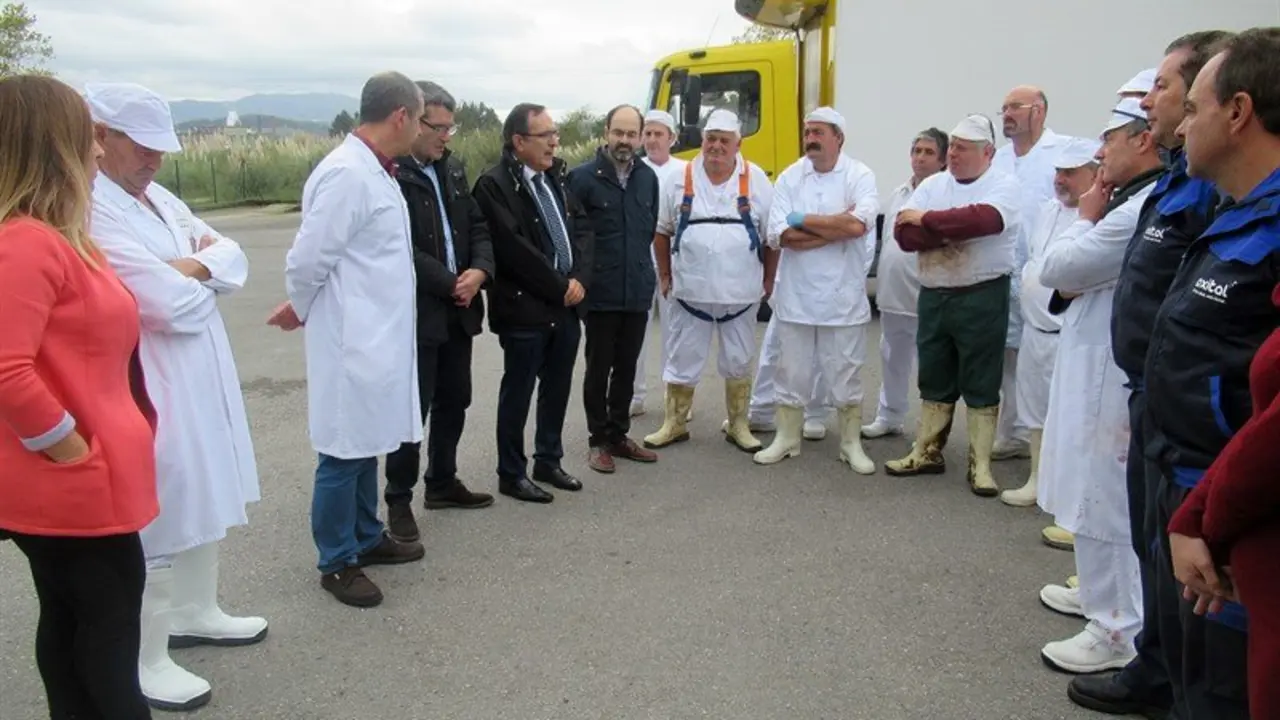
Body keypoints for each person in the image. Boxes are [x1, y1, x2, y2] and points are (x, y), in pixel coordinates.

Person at [1068, 31, 1234, 719]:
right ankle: (1156, 667)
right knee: (1155, 555)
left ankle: (1183, 688)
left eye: (1166, 88)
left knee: (1200, 587)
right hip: (1154, 403)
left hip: (1199, 426)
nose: (1152, 100)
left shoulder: (1214, 194)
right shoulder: (1176, 182)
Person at [85, 81, 266, 711]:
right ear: (99, 138)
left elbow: (234, 257)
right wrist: (198, 273)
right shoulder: (91, 206)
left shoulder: (156, 196)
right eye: (142, 147)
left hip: (196, 367)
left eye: (162, 149)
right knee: (159, 502)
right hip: (148, 375)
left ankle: (195, 610)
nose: (155, 161)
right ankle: (145, 656)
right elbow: (156, 303)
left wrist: (196, 268)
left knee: (201, 484)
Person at [0, 74, 158, 720]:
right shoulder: (25, 244)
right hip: (74, 487)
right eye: (86, 138)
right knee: (105, 636)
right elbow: (6, 368)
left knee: (75, 626)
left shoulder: (59, 236)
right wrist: (69, 449)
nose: (97, 153)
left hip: (90, 479)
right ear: (53, 145)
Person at [1150, 28, 1280, 720]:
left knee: (1223, 695)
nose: (1180, 123)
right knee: (1189, 682)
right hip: (1185, 490)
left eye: (1194, 107)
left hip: (1230, 517)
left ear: (1237, 114)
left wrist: (1212, 514)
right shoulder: (1235, 210)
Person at [270, 71, 428, 608]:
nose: (423, 129)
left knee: (369, 441)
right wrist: (306, 306)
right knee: (342, 450)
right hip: (352, 337)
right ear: (401, 116)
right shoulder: (346, 174)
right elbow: (307, 259)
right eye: (421, 118)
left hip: (377, 336)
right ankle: (336, 560)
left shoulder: (377, 171)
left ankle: (365, 535)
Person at [1035, 97, 1164, 675]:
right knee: (1085, 480)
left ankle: (1115, 627)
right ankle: (1095, 594)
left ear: (1141, 141)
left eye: (1108, 139)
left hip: (1111, 371)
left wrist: (1086, 214)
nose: (1098, 151)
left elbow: (1060, 268)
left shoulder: (1131, 208)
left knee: (1106, 492)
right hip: (1090, 357)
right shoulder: (1126, 200)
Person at [382, 81, 496, 545]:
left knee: (456, 399)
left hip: (460, 308)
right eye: (439, 127)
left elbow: (477, 225)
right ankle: (398, 498)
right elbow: (399, 249)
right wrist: (450, 281)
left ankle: (442, 482)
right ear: (411, 120)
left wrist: (480, 271)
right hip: (420, 312)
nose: (447, 136)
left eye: (452, 127)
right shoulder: (391, 175)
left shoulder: (452, 169)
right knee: (414, 411)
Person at [886, 113, 1021, 496]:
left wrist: (928, 220)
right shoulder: (933, 184)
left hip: (982, 295)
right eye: (955, 148)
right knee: (934, 373)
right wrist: (949, 230)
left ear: (988, 152)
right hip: (934, 294)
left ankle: (981, 465)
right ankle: (927, 450)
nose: (956, 155)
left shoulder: (1004, 185)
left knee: (981, 379)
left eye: (964, 149)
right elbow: (904, 234)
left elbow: (985, 221)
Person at [472, 103, 593, 503]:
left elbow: (579, 230)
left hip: (564, 304)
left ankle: (548, 459)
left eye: (555, 134)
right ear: (518, 141)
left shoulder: (556, 177)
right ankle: (511, 472)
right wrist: (559, 284)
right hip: (524, 308)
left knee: (557, 387)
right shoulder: (494, 186)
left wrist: (578, 278)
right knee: (518, 390)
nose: (555, 142)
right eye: (546, 136)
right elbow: (513, 250)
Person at [752, 107, 879, 472]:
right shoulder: (792, 177)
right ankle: (787, 438)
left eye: (819, 132)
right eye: (808, 131)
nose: (810, 138)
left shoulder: (859, 175)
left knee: (845, 371)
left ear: (838, 137)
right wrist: (834, 228)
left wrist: (803, 221)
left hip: (843, 297)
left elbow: (859, 227)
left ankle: (851, 444)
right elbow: (779, 235)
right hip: (796, 296)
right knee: (790, 371)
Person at [642, 109, 776, 454]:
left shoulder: (757, 178)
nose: (716, 147)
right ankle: (675, 423)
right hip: (689, 292)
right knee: (682, 357)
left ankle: (739, 424)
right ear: (702, 140)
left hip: (740, 292)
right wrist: (666, 274)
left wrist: (770, 280)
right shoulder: (679, 177)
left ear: (738, 143)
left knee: (739, 358)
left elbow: (771, 238)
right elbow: (661, 231)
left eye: (724, 140)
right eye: (710, 139)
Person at [998, 138, 1099, 508]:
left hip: (1070, 335)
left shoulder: (1100, 218)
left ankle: (1073, 496)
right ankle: (1038, 481)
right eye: (1058, 172)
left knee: (1072, 418)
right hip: (1034, 331)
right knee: (1036, 412)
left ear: (1094, 174)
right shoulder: (1046, 211)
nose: (1061, 180)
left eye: (1070, 173)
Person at [568, 104, 661, 474]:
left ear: (640, 137)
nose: (624, 141)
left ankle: (619, 435)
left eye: (631, 134)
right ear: (606, 132)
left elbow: (647, 228)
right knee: (599, 368)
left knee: (627, 366)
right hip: (601, 291)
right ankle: (598, 440)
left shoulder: (648, 179)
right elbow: (575, 237)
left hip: (636, 289)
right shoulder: (582, 179)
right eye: (618, 132)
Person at [991, 85, 1070, 463]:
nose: (1006, 114)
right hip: (1003, 274)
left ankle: (1050, 442)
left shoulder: (1063, 154)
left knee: (1044, 361)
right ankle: (1012, 434)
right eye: (1003, 108)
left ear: (1038, 111)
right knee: (1009, 355)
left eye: (1014, 107)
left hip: (1045, 278)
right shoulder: (999, 161)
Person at [862, 128, 948, 439]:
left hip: (927, 295)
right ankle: (890, 415)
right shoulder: (899, 193)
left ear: (942, 160)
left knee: (932, 367)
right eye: (916, 151)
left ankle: (932, 428)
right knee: (892, 358)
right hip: (893, 296)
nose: (920, 158)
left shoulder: (945, 193)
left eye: (928, 153)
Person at [631, 110, 689, 421]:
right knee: (636, 331)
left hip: (673, 263)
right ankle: (634, 394)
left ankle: (674, 396)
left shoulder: (686, 171)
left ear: (672, 138)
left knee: (675, 332)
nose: (652, 140)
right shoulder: (632, 169)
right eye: (648, 134)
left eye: (659, 134)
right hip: (639, 262)